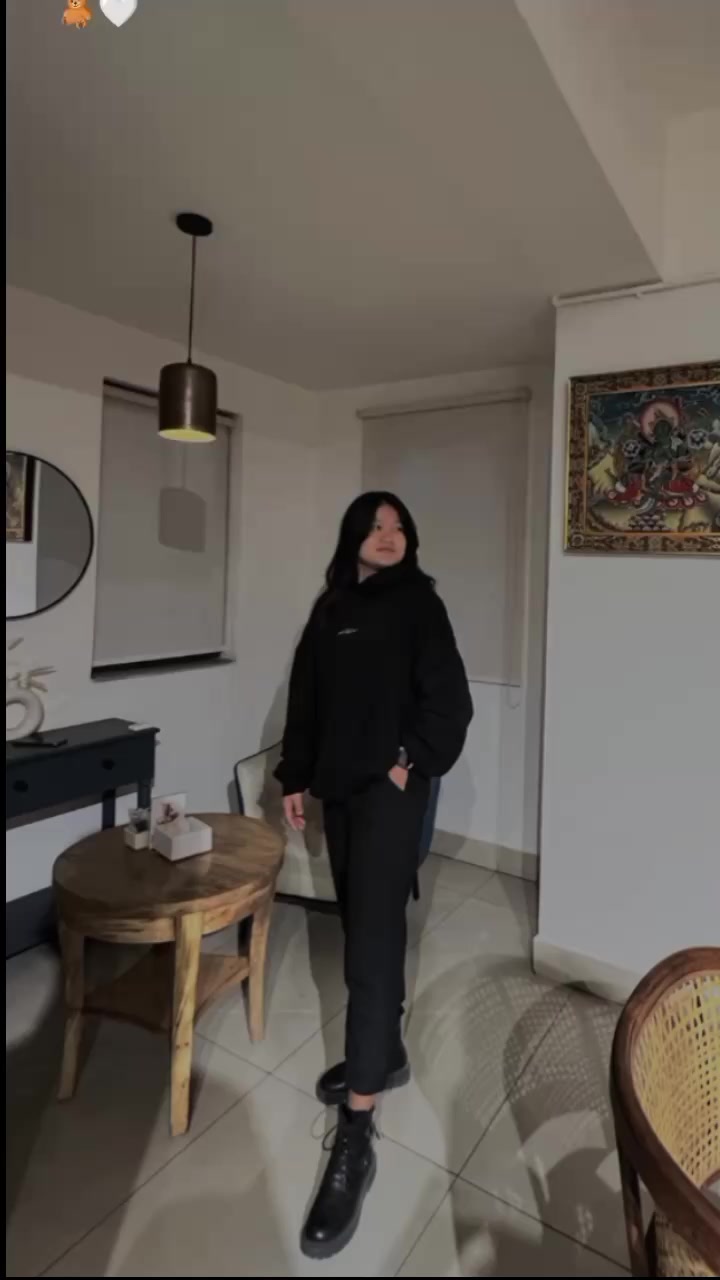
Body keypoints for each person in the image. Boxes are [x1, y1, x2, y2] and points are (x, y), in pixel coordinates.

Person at [276, 491, 473, 1259]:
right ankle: (383, 1054)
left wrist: (407, 762)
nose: (389, 536)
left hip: (390, 795)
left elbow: (449, 703)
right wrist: (295, 776)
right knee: (362, 923)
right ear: (353, 535)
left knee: (370, 947)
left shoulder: (421, 606)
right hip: (338, 793)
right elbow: (307, 700)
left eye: (399, 527)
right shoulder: (331, 610)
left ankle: (357, 1127)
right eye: (376, 525)